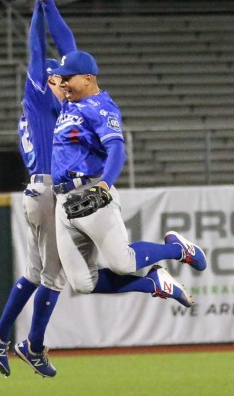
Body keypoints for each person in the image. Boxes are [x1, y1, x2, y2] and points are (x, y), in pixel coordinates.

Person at [47, 50, 208, 311]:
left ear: (88, 78)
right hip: (62, 199)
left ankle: (177, 249)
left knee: (123, 263)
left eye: (69, 78)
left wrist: (104, 185)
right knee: (82, 283)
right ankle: (154, 282)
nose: (63, 83)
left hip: (91, 190)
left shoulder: (101, 107)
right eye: (61, 78)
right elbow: (65, 45)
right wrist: (46, 7)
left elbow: (117, 149)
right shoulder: (68, 103)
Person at [0, 0, 75, 379]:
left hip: (37, 191)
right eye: (59, 78)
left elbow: (68, 48)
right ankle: (32, 345)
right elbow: (37, 50)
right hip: (49, 190)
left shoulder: (47, 104)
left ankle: (0, 333)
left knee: (37, 272)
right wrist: (40, 8)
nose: (64, 83)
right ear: (48, 78)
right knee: (54, 275)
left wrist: (48, 4)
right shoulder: (39, 96)